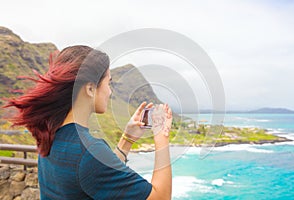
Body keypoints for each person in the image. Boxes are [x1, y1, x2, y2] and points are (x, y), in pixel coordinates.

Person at [6, 45, 172, 199]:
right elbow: (161, 197)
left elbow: (95, 176)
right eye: (109, 82)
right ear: (90, 89)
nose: (110, 91)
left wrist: (127, 139)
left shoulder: (51, 134)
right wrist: (161, 137)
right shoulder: (89, 152)